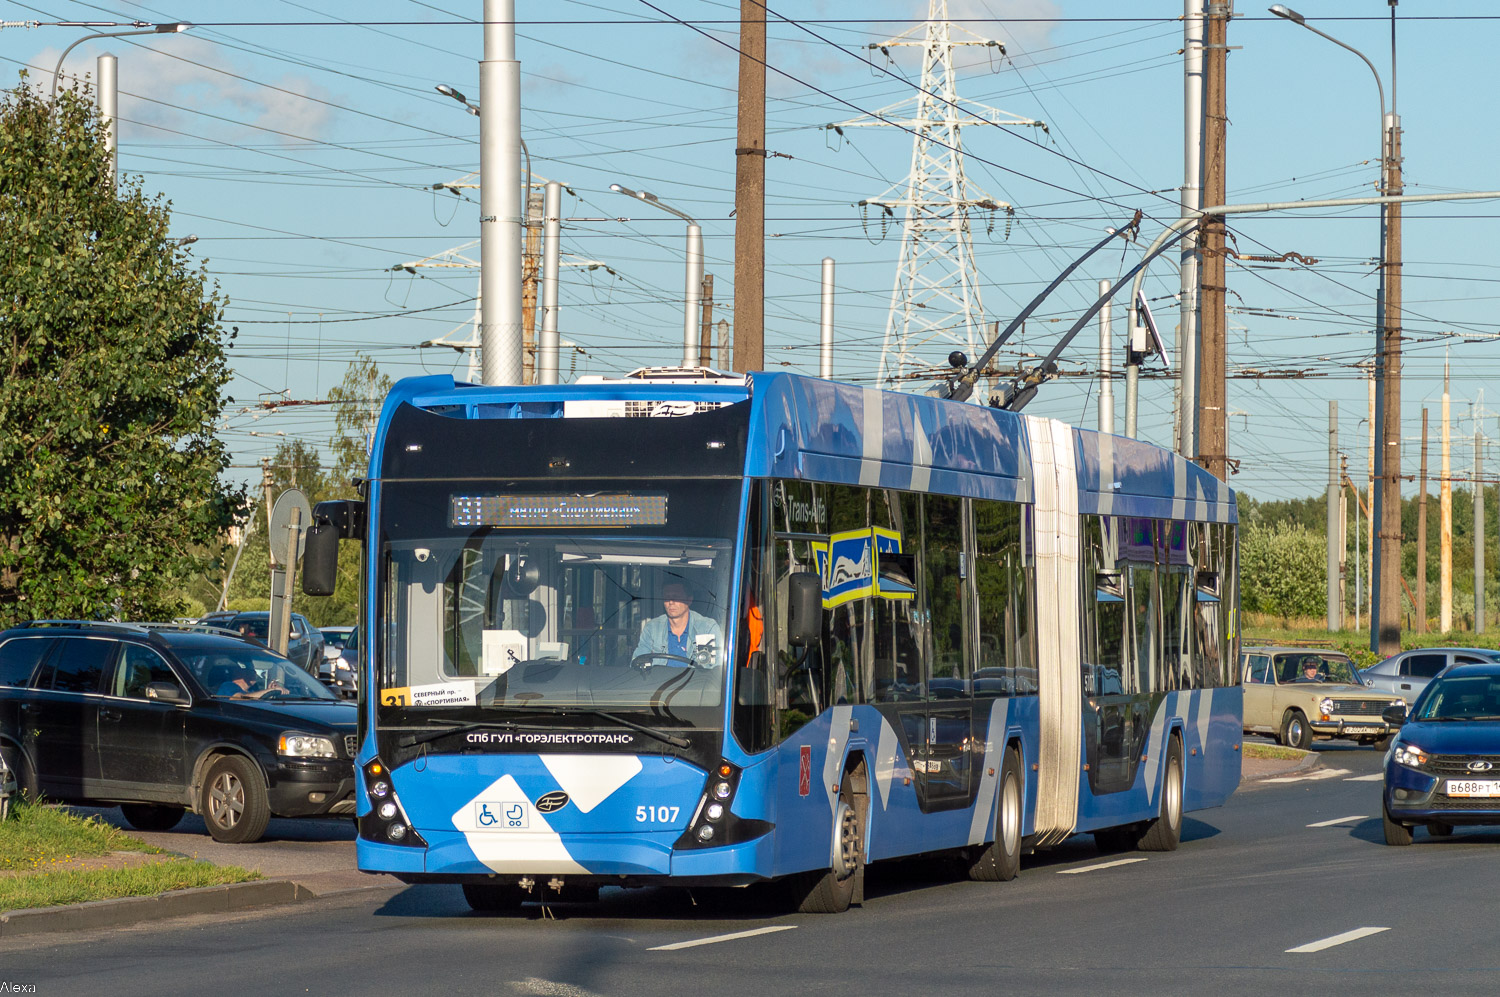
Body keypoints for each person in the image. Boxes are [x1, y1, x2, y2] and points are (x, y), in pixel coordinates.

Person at [633, 581, 723, 667]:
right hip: (660, 679)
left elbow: (716, 668)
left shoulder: (708, 628)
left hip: (696, 679)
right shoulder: (652, 628)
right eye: (666, 597)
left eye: (676, 597)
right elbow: (637, 663)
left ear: (689, 600)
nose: (671, 602)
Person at [217, 664, 285, 699]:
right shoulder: (228, 686)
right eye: (250, 670)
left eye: (253, 670)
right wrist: (269, 691)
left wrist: (270, 692)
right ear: (237, 672)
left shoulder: (252, 690)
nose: (254, 672)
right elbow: (238, 698)